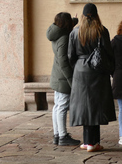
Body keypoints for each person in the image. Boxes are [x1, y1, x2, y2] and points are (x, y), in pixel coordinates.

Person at [68, 3, 116, 152]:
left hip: (80, 71)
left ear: (82, 15)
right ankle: (93, 142)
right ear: (96, 15)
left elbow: (70, 55)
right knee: (96, 106)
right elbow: (109, 53)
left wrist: (77, 67)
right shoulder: (102, 31)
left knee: (84, 106)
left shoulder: (75, 32)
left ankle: (87, 141)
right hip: (98, 70)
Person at [47, 12, 80, 146]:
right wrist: (71, 80)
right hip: (63, 78)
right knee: (62, 106)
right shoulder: (64, 37)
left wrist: (74, 20)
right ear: (66, 24)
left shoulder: (56, 32)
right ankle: (62, 136)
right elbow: (64, 62)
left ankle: (57, 134)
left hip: (57, 75)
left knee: (57, 106)